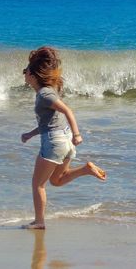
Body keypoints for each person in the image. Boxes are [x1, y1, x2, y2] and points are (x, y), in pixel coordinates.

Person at [21, 46, 106, 230]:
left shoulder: (44, 94)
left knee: (38, 185)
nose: (24, 73)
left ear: (33, 75)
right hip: (63, 140)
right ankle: (86, 169)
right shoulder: (45, 93)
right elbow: (49, 123)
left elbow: (67, 110)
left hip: (56, 141)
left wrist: (78, 134)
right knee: (57, 180)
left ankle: (39, 222)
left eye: (25, 70)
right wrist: (30, 134)